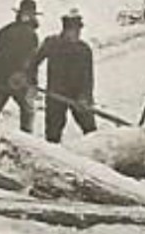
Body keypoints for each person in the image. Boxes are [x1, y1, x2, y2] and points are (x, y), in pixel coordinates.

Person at [0, 0, 41, 134]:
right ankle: (26, 139)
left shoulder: (5, 30)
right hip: (15, 80)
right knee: (27, 110)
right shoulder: (31, 35)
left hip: (0, 78)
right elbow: (30, 62)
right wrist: (31, 82)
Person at [31, 10, 97, 143]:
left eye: (79, 30)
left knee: (90, 131)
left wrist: (85, 97)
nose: (77, 34)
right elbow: (33, 62)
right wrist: (31, 80)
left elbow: (88, 78)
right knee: (53, 133)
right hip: (56, 95)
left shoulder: (84, 50)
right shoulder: (52, 44)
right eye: (74, 30)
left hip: (78, 96)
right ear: (66, 30)